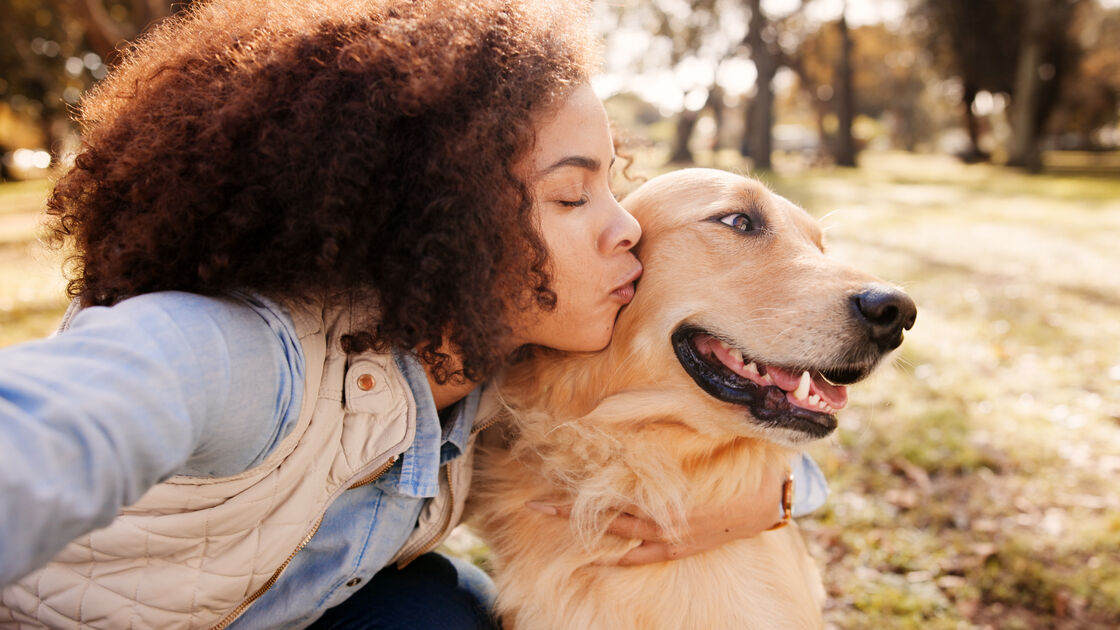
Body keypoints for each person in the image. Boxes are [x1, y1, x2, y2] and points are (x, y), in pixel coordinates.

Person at [0, 0, 825, 628]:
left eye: (614, 181)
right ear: (438, 218)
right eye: (573, 194)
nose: (626, 226)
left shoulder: (494, 370)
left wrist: (769, 499)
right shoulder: (240, 354)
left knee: (441, 608)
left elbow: (678, 432)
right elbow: (46, 427)